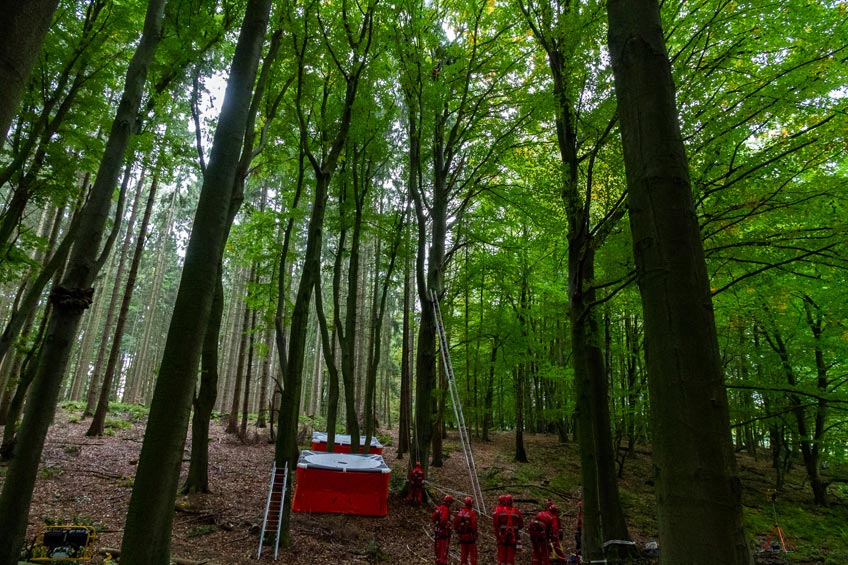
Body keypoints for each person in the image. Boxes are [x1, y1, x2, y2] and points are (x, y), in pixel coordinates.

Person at [493, 493, 523, 565]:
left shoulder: (499, 511)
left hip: (502, 536)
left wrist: (498, 533)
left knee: (502, 556)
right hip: (513, 537)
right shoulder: (517, 512)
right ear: (512, 502)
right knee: (510, 556)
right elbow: (521, 525)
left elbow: (496, 524)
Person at [453, 496, 478, 565]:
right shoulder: (471, 513)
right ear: (471, 504)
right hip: (470, 536)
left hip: (462, 535)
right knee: (473, 553)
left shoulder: (460, 513)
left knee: (464, 552)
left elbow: (455, 523)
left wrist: (457, 531)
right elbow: (474, 525)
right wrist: (475, 534)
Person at [432, 495, 454, 565]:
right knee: (443, 551)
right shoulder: (445, 509)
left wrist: (437, 524)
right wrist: (446, 526)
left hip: (437, 532)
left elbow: (433, 517)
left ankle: (437, 562)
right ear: (448, 502)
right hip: (444, 533)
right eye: (450, 503)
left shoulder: (439, 508)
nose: (450, 504)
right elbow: (444, 520)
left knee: (437, 550)